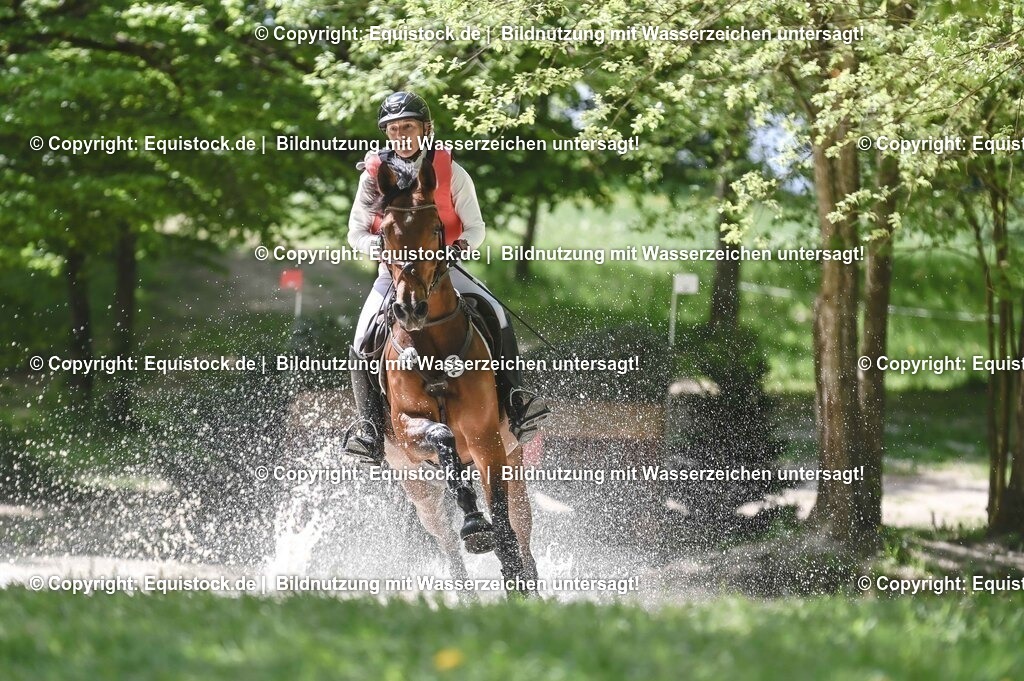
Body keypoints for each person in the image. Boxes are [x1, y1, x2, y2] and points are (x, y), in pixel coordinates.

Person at [342, 91, 550, 465]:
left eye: (408, 125)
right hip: (394, 276)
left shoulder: (449, 169)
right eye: (393, 129)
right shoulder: (374, 174)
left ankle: (517, 401)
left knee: (495, 314)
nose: (401, 134)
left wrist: (458, 250)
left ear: (426, 129)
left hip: (445, 272)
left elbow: (476, 227)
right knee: (361, 335)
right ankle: (369, 430)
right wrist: (380, 250)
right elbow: (355, 231)